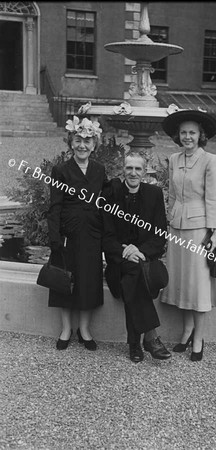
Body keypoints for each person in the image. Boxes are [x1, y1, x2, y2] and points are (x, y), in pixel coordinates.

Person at [160, 109, 216, 361]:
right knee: (181, 282)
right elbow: (173, 195)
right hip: (176, 228)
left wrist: (214, 233)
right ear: (179, 135)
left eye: (192, 133)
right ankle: (186, 331)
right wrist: (168, 223)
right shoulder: (174, 159)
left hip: (199, 230)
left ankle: (199, 337)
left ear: (201, 135)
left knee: (197, 286)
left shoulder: (210, 160)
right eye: (184, 132)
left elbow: (213, 198)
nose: (187, 137)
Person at [101, 152, 171, 363]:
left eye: (138, 168)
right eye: (129, 168)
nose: (133, 173)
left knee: (135, 272)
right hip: (117, 264)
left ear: (145, 170)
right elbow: (105, 238)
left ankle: (135, 345)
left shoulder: (154, 194)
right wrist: (125, 252)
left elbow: (160, 236)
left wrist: (140, 252)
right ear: (123, 169)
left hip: (143, 261)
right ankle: (150, 337)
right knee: (132, 272)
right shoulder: (110, 195)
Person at [47, 115, 107, 351]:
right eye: (78, 140)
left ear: (94, 145)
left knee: (88, 281)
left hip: (92, 233)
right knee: (66, 281)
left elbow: (106, 201)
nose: (83, 145)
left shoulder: (99, 170)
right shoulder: (61, 170)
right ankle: (65, 329)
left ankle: (84, 329)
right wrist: (54, 238)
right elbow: (55, 206)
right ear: (71, 142)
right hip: (68, 234)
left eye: (88, 141)